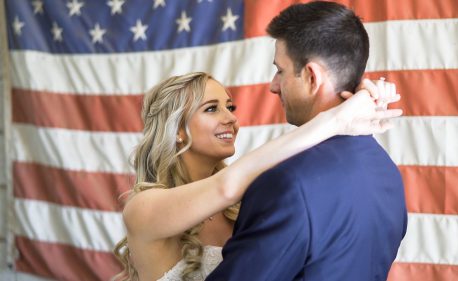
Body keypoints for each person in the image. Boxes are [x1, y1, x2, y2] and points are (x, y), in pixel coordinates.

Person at [113, 70, 401, 280]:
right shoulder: (142, 209)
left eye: (230, 106)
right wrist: (338, 118)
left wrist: (350, 97)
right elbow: (227, 185)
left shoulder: (243, 204)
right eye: (212, 109)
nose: (231, 118)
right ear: (176, 130)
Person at [206, 2, 407, 281]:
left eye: (280, 70)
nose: (273, 85)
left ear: (312, 77)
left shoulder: (287, 185)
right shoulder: (387, 173)